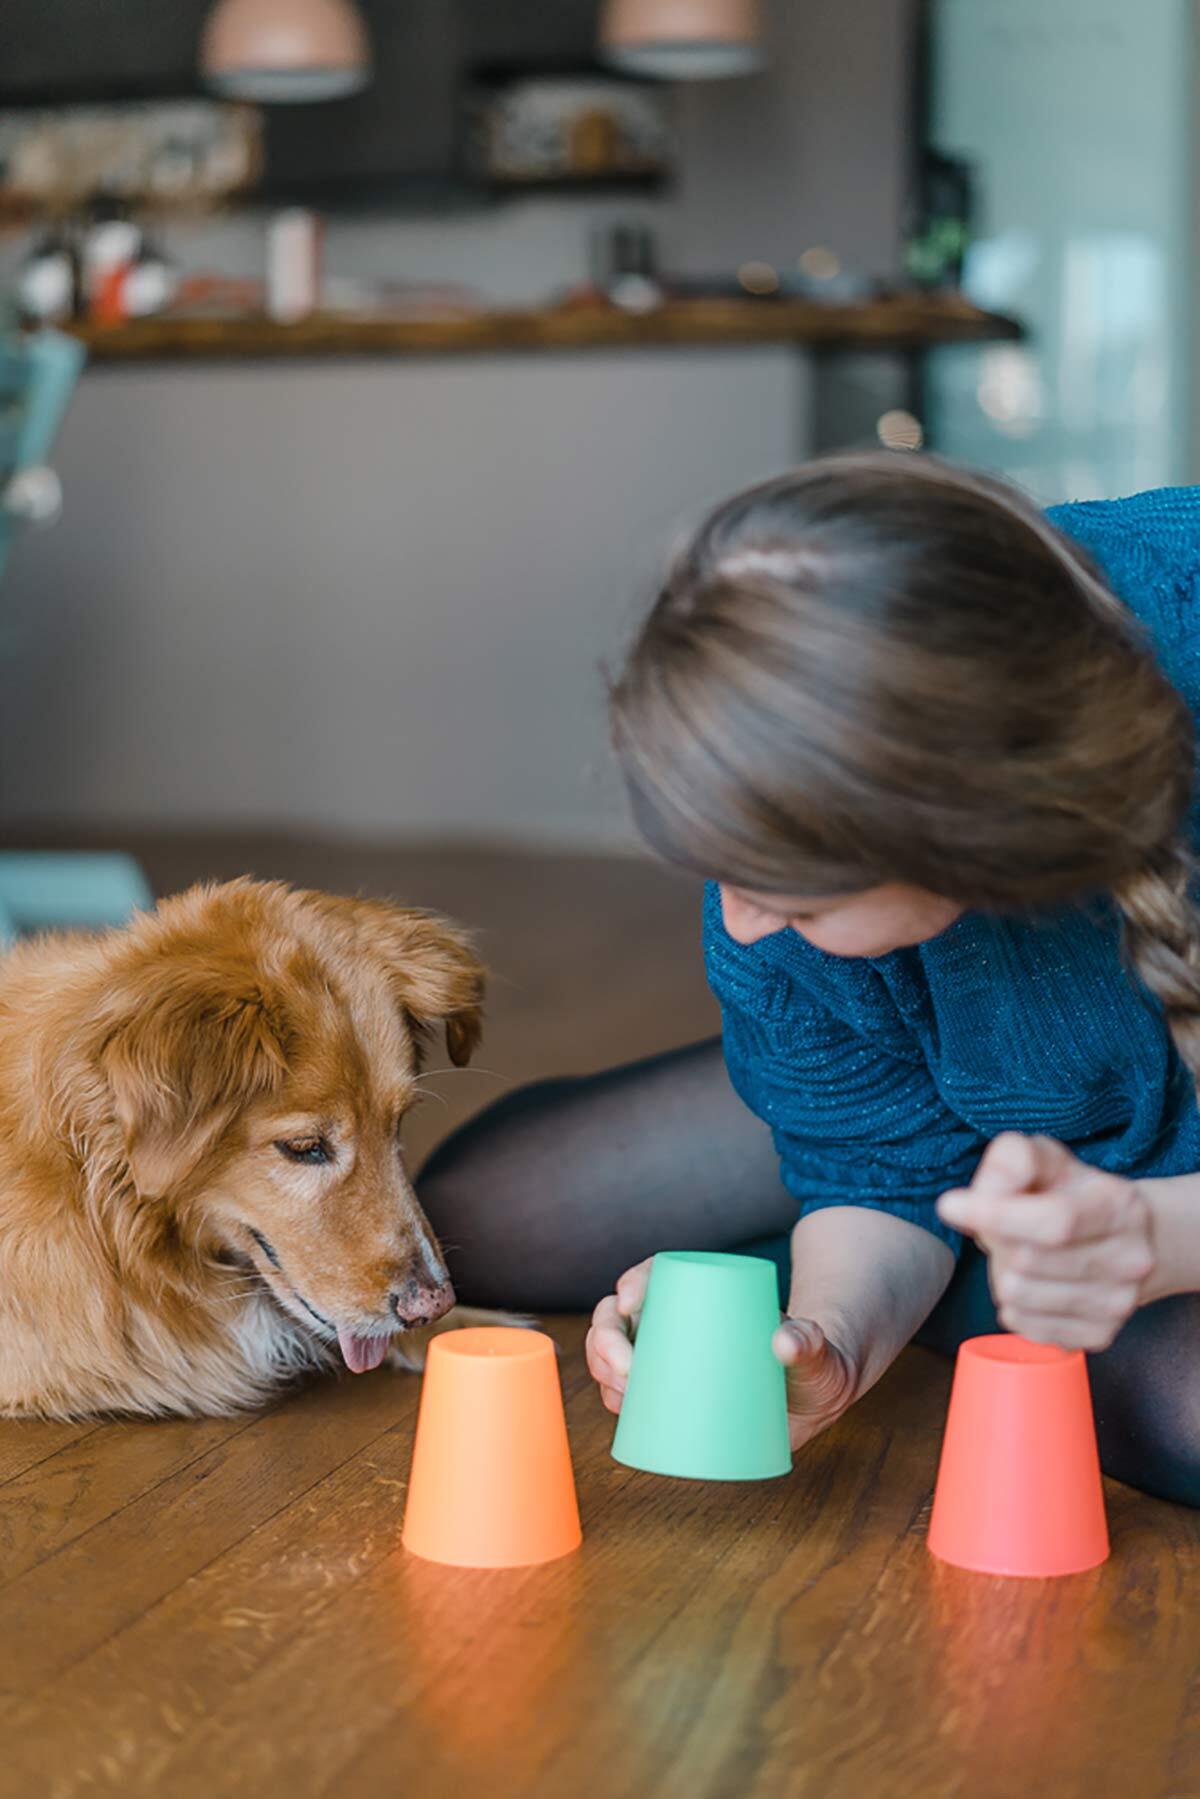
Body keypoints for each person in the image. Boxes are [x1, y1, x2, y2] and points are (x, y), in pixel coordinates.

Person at [419, 453, 1200, 1507]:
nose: (741, 924)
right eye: (721, 872)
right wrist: (825, 1338)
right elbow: (876, 1173)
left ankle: (990, 1252)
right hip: (984, 1077)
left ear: (966, 827)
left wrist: (1147, 1238)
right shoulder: (789, 810)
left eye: (797, 896)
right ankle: (974, 1226)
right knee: (485, 1219)